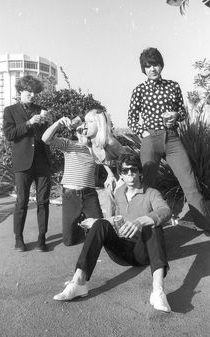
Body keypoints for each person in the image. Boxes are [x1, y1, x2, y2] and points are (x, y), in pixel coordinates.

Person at [53, 153, 172, 313]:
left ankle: (158, 291)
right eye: (125, 170)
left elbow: (165, 210)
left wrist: (141, 221)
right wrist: (98, 223)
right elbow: (118, 218)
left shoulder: (151, 193)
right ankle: (79, 282)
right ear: (121, 174)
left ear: (140, 172)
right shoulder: (119, 192)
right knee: (100, 223)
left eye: (133, 170)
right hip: (121, 251)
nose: (129, 174)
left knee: (154, 227)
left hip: (143, 252)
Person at [127, 47, 210, 232]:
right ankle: (143, 227)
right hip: (151, 140)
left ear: (161, 65)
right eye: (147, 66)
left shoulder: (173, 86)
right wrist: (143, 133)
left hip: (172, 139)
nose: (152, 69)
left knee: (190, 183)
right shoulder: (139, 90)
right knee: (147, 185)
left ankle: (204, 224)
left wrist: (175, 114)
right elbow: (131, 119)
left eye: (155, 64)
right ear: (144, 69)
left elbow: (182, 112)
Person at [3, 75, 52, 252]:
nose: (32, 94)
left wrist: (50, 123)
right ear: (20, 91)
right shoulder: (10, 111)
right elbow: (9, 134)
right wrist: (29, 123)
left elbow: (48, 136)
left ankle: (41, 238)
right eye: (28, 91)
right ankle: (19, 239)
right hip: (22, 162)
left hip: (42, 162)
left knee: (43, 202)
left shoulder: (42, 109)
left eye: (34, 92)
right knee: (21, 202)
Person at [42, 116, 103, 246]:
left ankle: (85, 224)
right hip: (70, 195)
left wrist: (90, 143)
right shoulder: (68, 144)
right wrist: (58, 124)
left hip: (89, 194)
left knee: (100, 231)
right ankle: (80, 226)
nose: (81, 133)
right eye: (79, 131)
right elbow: (45, 138)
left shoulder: (96, 148)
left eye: (84, 130)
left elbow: (103, 159)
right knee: (68, 241)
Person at [83, 108, 129, 217]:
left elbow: (128, 159)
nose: (86, 125)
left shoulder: (110, 142)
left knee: (120, 197)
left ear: (99, 124)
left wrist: (122, 178)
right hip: (114, 173)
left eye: (90, 122)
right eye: (86, 122)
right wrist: (110, 175)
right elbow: (103, 161)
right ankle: (111, 226)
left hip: (126, 173)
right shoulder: (91, 144)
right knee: (109, 197)